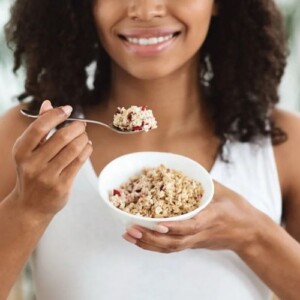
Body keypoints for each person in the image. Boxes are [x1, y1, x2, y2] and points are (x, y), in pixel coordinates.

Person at [1, 0, 300, 299]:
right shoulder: (29, 139)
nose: (145, 10)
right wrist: (26, 208)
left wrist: (252, 235)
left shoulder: (284, 144)